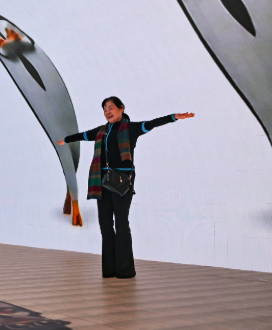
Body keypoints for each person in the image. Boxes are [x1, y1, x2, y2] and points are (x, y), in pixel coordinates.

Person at [58, 96, 194, 279]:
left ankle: (125, 270)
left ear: (121, 108)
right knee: (105, 225)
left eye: (111, 107)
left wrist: (173, 117)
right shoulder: (101, 132)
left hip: (121, 181)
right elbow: (82, 136)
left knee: (121, 223)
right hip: (102, 182)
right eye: (105, 109)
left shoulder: (131, 128)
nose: (107, 111)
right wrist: (65, 140)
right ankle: (109, 269)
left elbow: (152, 123)